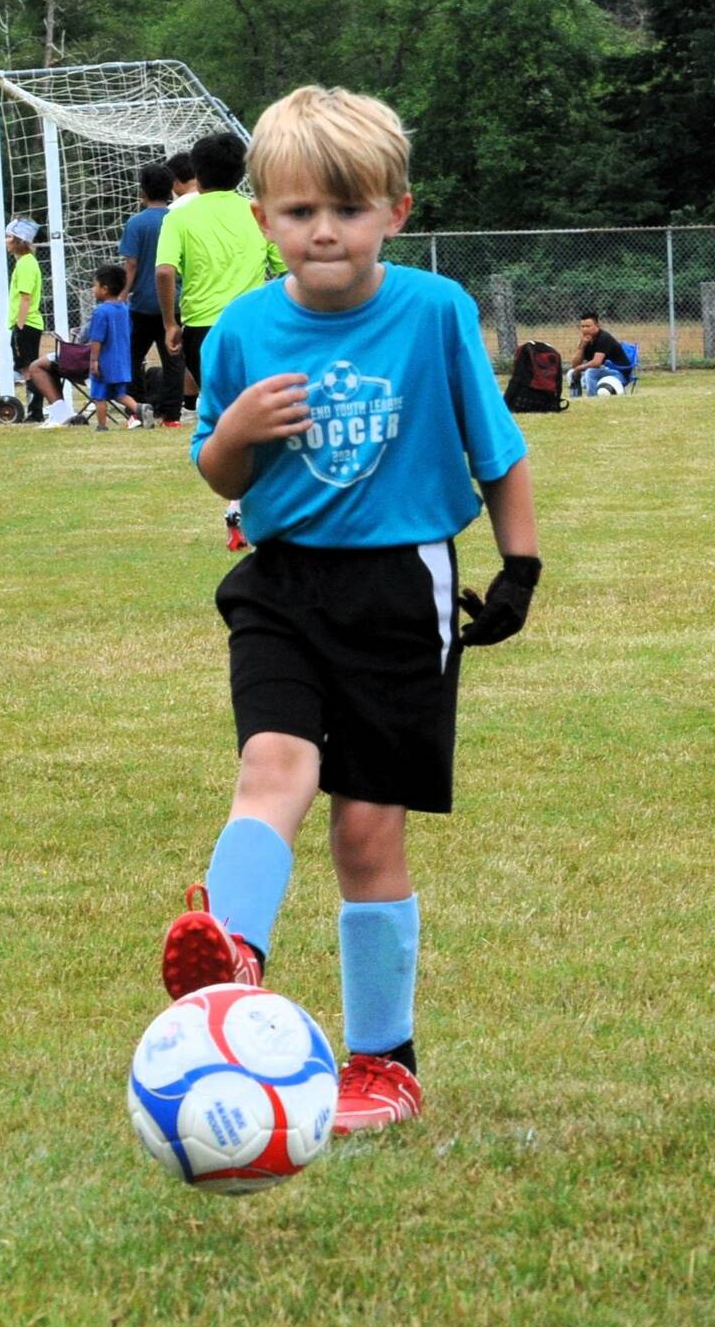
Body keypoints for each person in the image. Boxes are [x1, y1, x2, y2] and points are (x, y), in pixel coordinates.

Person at [159, 85, 540, 1136]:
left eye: (347, 208)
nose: (322, 230)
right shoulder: (239, 329)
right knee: (269, 767)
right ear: (260, 220)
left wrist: (518, 569)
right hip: (279, 583)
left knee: (366, 833)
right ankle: (231, 951)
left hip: (396, 589)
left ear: (395, 212)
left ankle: (384, 1060)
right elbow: (213, 466)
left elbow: (497, 450)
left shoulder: (433, 313)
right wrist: (234, 426)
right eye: (295, 212)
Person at [156, 131, 278, 422]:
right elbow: (288, 269)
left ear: (196, 172)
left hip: (203, 327)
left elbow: (164, 270)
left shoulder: (178, 216)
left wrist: (170, 323)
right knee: (258, 405)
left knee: (222, 410)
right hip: (252, 323)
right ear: (241, 171)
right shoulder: (258, 212)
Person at [119, 163, 182, 426]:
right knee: (174, 361)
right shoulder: (178, 219)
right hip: (174, 302)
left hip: (142, 304)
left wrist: (122, 294)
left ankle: (138, 410)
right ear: (170, 190)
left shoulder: (136, 223)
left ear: (142, 192)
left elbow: (131, 264)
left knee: (131, 357)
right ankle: (171, 416)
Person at [77, 262, 142, 431]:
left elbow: (97, 339)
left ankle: (101, 425)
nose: (93, 289)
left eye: (95, 285)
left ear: (104, 289)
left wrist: (94, 361)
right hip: (122, 361)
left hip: (105, 361)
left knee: (99, 395)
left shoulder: (101, 312)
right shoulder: (124, 308)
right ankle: (140, 409)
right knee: (120, 394)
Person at [4, 217, 50, 413]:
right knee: (25, 367)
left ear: (18, 240)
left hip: (27, 324)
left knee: (30, 368)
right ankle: (34, 408)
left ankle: (36, 409)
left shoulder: (26, 265)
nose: (5, 241)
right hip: (24, 324)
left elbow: (25, 298)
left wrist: (20, 325)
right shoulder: (24, 262)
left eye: (8, 237)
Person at [567, 312, 632, 397]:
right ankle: (575, 399)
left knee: (591, 372)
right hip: (602, 371)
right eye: (582, 327)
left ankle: (593, 399)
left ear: (597, 325)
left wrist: (579, 368)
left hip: (619, 373)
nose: (585, 329)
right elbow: (574, 365)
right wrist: (582, 346)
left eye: (588, 326)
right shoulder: (585, 340)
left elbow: (596, 363)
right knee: (571, 373)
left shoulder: (604, 338)